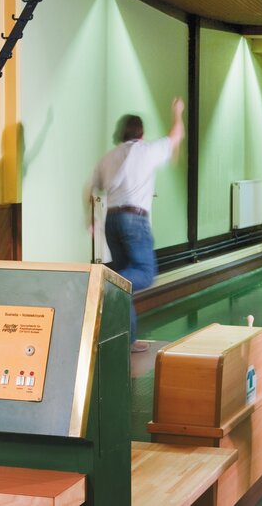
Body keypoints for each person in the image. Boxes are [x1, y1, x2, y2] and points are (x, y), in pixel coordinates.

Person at [91, 98, 185, 353]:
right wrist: (177, 112)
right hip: (134, 220)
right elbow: (176, 136)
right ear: (141, 134)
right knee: (144, 273)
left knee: (126, 288)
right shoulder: (146, 151)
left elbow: (90, 188)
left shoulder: (108, 157)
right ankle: (106, 284)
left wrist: (90, 219)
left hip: (111, 220)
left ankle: (127, 340)